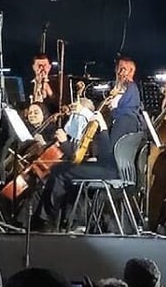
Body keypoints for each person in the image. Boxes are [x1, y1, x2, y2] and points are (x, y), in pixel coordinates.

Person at [31, 57, 144, 232]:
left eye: (117, 95)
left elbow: (108, 155)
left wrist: (103, 128)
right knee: (69, 169)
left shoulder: (124, 120)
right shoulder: (131, 117)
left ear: (125, 98)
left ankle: (45, 222)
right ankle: (71, 222)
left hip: (111, 171)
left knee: (61, 171)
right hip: (115, 169)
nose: (111, 98)